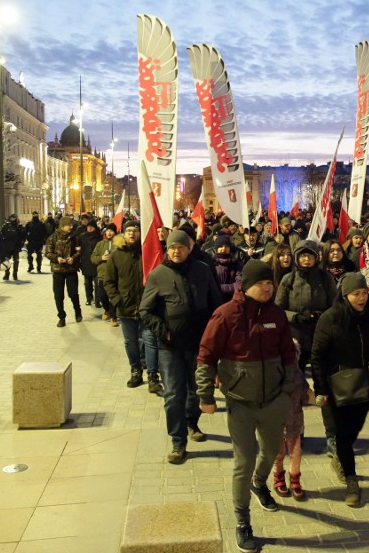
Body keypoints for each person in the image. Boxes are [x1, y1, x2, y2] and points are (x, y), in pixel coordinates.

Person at [196, 260, 296, 553]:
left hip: (274, 401)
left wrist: (287, 391)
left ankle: (260, 483)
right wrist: (205, 397)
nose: (267, 289)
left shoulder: (277, 314)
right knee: (244, 461)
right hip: (239, 404)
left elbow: (289, 355)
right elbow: (206, 356)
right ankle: (243, 520)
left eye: (270, 284)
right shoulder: (225, 315)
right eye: (261, 284)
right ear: (245, 285)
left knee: (271, 452)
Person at [140, 230, 222, 464]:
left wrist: (215, 334)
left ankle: (191, 422)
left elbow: (216, 305)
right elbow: (145, 310)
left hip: (199, 345)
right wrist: (162, 330)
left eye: (181, 247)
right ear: (168, 249)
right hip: (170, 347)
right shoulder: (159, 275)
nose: (176, 251)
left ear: (189, 249)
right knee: (174, 394)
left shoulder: (203, 271)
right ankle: (178, 441)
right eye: (172, 247)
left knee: (196, 390)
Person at [310, 273, 369, 507]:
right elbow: (317, 356)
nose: (361, 298)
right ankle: (351, 480)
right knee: (342, 433)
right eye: (355, 294)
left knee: (353, 431)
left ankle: (340, 454)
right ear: (345, 295)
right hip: (336, 385)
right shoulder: (331, 319)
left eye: (364, 293)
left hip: (363, 383)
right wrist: (321, 387)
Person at [105, 221, 160, 392]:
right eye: (128, 230)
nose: (131, 234)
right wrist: (117, 300)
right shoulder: (116, 255)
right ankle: (135, 371)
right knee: (130, 342)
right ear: (123, 233)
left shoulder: (147, 252)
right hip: (126, 307)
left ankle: (152, 375)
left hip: (147, 306)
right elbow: (109, 282)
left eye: (135, 230)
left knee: (150, 341)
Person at [276, 240, 337, 372]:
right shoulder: (288, 279)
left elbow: (335, 305)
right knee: (296, 373)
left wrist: (320, 315)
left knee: (322, 372)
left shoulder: (325, 278)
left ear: (316, 258)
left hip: (320, 332)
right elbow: (278, 309)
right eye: (303, 256)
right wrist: (295, 317)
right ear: (297, 258)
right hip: (295, 335)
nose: (307, 259)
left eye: (310, 256)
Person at [272, 339, 311, 501]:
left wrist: (321, 400)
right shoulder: (274, 376)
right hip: (277, 420)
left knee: (296, 452)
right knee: (278, 452)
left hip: (295, 420)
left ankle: (295, 479)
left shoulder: (299, 375)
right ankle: (278, 477)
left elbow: (306, 393)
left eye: (294, 355)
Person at [45, 216, 82, 327]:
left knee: (73, 293)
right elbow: (47, 252)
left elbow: (79, 251)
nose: (71, 226)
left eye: (71, 225)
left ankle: (77, 311)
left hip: (71, 270)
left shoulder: (75, 238)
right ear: (63, 225)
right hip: (58, 270)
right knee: (58, 295)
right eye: (69, 225)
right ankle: (61, 317)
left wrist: (73, 258)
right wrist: (57, 259)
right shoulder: (52, 238)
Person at [206, 235, 246, 303]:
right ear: (216, 248)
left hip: (232, 300)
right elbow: (208, 285)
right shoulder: (210, 264)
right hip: (213, 301)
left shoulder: (236, 264)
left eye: (226, 246)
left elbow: (239, 284)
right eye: (221, 246)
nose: (224, 249)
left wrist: (219, 288)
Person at [91, 224, 117, 324]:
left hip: (115, 274)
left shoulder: (118, 243)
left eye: (112, 231)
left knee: (114, 296)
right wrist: (101, 258)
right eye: (108, 231)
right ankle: (107, 310)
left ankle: (114, 317)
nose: (109, 233)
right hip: (102, 274)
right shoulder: (100, 244)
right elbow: (93, 258)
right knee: (102, 295)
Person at [77, 220, 102, 306]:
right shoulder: (82, 236)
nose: (89, 228)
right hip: (86, 262)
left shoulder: (99, 237)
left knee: (97, 283)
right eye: (88, 227)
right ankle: (89, 298)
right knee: (87, 282)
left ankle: (98, 300)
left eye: (91, 227)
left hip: (96, 262)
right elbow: (78, 249)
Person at [0, 214, 25, 281]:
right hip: (7, 247)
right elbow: (1, 235)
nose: (13, 219)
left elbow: (23, 237)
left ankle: (15, 274)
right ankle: (7, 274)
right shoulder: (6, 226)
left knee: (16, 261)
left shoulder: (19, 227)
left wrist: (21, 245)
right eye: (12, 218)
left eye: (14, 218)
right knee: (7, 261)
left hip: (16, 248)